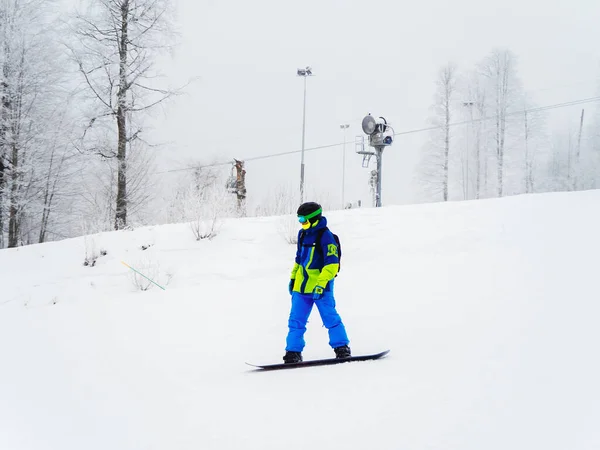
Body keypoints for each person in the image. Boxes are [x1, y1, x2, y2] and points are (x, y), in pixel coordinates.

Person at [283, 202, 351, 363]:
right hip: (301, 288)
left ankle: (342, 348)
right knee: (295, 320)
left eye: (304, 220)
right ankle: (292, 352)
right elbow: (299, 261)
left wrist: (321, 284)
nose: (301, 223)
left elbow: (332, 265)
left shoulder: (325, 236)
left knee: (330, 318)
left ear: (313, 219)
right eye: (299, 219)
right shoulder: (302, 234)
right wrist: (293, 278)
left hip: (321, 288)